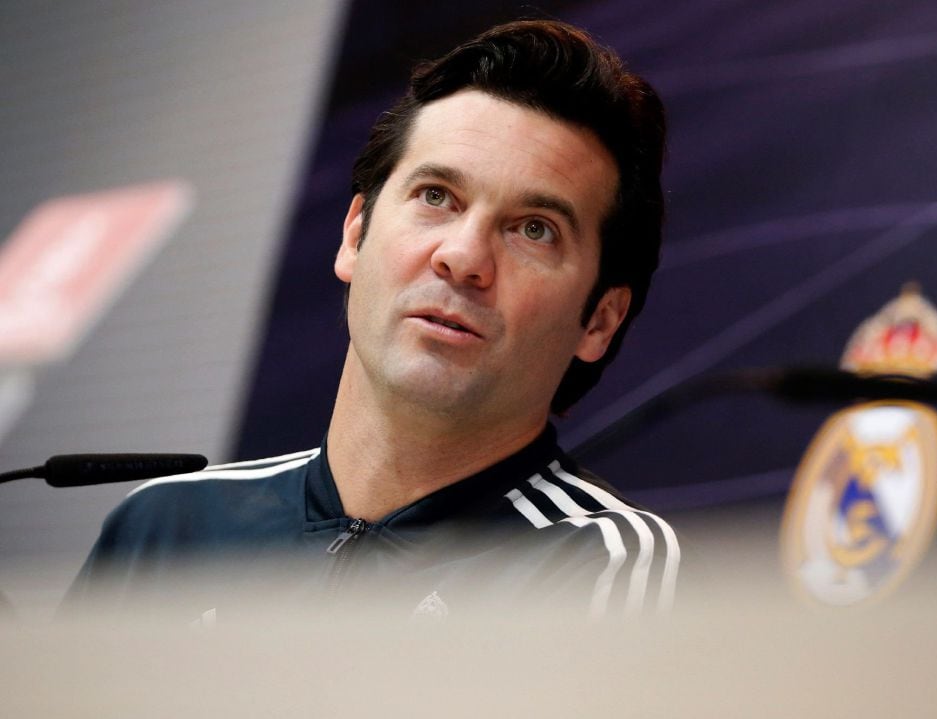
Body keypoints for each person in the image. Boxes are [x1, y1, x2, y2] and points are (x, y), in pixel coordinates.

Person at [65, 19, 679, 621]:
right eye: (437, 196)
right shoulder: (165, 526)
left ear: (599, 320)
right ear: (355, 236)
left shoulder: (595, 564)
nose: (463, 258)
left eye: (534, 230)